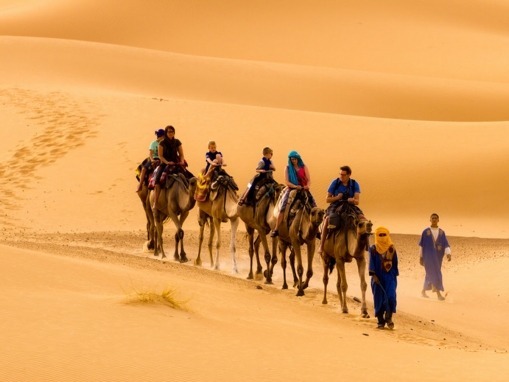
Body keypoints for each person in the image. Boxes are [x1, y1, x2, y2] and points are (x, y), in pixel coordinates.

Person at [318, 165, 366, 254]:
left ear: (349, 175)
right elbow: (327, 199)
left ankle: (365, 245)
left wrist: (352, 200)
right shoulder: (335, 183)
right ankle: (321, 246)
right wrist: (337, 197)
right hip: (336, 205)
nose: (341, 176)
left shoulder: (355, 184)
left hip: (349, 205)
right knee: (327, 220)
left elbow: (357, 201)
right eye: (340, 174)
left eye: (343, 175)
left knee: (363, 220)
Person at [270, 150, 316, 237]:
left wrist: (307, 186)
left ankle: (317, 230)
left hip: (303, 189)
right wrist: (295, 186)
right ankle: (276, 229)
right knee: (283, 206)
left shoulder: (304, 167)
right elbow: (287, 182)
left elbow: (309, 180)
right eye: (292, 159)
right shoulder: (287, 168)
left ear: (298, 159)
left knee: (314, 206)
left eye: (295, 159)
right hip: (291, 189)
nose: (293, 161)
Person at [369, 226, 399, 329]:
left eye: (384, 235)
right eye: (380, 235)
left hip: (390, 277)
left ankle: (389, 318)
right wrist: (374, 276)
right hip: (377, 278)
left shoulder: (392, 248)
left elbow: (395, 264)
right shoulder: (373, 249)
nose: (382, 237)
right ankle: (380, 321)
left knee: (391, 296)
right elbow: (371, 263)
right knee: (379, 299)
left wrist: (393, 276)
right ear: (376, 236)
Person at [419, 213, 452, 300]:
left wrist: (448, 254)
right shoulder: (425, 232)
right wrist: (420, 257)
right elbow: (421, 246)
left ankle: (423, 291)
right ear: (430, 219)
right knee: (435, 274)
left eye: (435, 218)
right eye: (432, 218)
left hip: (438, 258)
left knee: (430, 274)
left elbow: (446, 245)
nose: (434, 219)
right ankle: (438, 294)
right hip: (428, 258)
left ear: (438, 220)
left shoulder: (441, 233)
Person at [152, 125, 186, 209]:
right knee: (157, 181)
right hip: (164, 163)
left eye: (172, 131)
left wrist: (181, 161)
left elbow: (181, 154)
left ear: (174, 132)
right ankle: (155, 202)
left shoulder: (177, 142)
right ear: (166, 133)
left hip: (176, 163)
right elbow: (160, 156)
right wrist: (167, 162)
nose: (170, 133)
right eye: (168, 131)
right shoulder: (162, 143)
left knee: (188, 177)